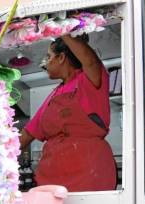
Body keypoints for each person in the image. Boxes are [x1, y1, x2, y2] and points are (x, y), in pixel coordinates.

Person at [19, 34, 117, 192]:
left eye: (49, 57)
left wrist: (63, 31)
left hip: (90, 175)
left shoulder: (88, 80)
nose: (46, 63)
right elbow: (26, 135)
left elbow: (90, 61)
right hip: (51, 182)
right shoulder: (53, 96)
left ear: (61, 57)